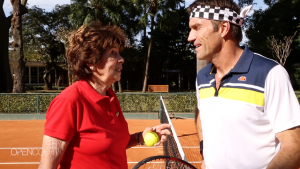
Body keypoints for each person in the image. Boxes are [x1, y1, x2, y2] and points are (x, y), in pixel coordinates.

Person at [38, 21, 171, 169]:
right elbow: (47, 165)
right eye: (113, 53)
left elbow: (111, 143)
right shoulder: (69, 101)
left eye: (119, 53)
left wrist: (139, 137)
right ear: (91, 61)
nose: (121, 59)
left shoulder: (110, 97)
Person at [187, 0, 300, 169]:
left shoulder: (270, 73)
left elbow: (294, 147)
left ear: (224, 28)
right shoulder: (203, 77)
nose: (190, 37)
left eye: (197, 27)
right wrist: (205, 156)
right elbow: (202, 117)